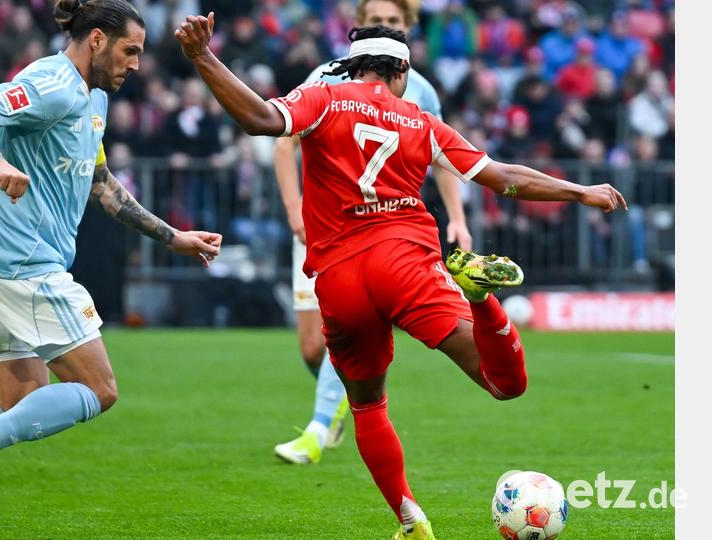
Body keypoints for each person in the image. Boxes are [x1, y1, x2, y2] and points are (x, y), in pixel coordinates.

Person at [176, 17, 625, 538]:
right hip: (405, 263)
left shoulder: (322, 98)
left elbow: (259, 119)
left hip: (339, 277)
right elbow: (502, 178)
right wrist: (579, 191)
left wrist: (202, 57)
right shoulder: (420, 120)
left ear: (352, 66)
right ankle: (479, 298)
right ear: (402, 70)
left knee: (367, 404)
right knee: (505, 384)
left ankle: (410, 519)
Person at [0, 2, 222, 539]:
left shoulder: (93, 97)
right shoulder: (54, 83)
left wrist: (173, 237)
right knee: (99, 388)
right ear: (97, 40)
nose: (137, 64)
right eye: (130, 51)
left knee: (21, 404)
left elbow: (101, 185)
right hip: (21, 261)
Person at [269, 0, 473, 466]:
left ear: (408, 29)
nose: (386, 26)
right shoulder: (327, 77)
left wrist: (457, 218)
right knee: (312, 347)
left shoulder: (420, 90)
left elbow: (446, 158)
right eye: (376, 19)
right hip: (320, 229)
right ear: (359, 26)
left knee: (358, 328)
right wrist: (294, 210)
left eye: (395, 21)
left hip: (380, 237)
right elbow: (285, 140)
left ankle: (320, 426)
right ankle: (346, 402)